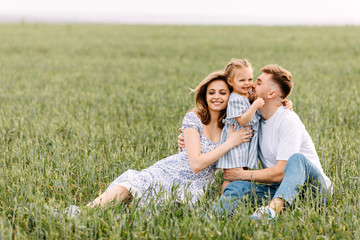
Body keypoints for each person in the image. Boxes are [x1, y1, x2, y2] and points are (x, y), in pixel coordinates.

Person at [84, 71, 253, 210]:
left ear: (231, 97)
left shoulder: (231, 127)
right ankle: (84, 212)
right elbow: (196, 164)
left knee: (151, 209)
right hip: (169, 170)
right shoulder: (194, 118)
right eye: (211, 92)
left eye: (223, 93)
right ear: (205, 96)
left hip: (196, 185)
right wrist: (229, 143)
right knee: (131, 185)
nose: (216, 97)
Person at [211, 64, 332, 220]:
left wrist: (242, 174)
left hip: (312, 188)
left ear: (272, 93)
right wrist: (187, 137)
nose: (252, 84)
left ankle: (270, 212)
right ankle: (211, 218)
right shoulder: (256, 118)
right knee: (236, 186)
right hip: (279, 188)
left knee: (296, 159)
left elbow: (282, 171)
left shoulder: (288, 121)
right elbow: (224, 124)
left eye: (259, 82)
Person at [216, 59, 264, 193]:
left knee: (242, 173)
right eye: (242, 80)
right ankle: (225, 198)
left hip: (243, 143)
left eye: (250, 79)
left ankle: (237, 197)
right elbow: (243, 120)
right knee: (232, 175)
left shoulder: (245, 95)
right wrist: (254, 107)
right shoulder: (235, 99)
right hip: (235, 144)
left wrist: (285, 103)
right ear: (230, 82)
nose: (247, 83)